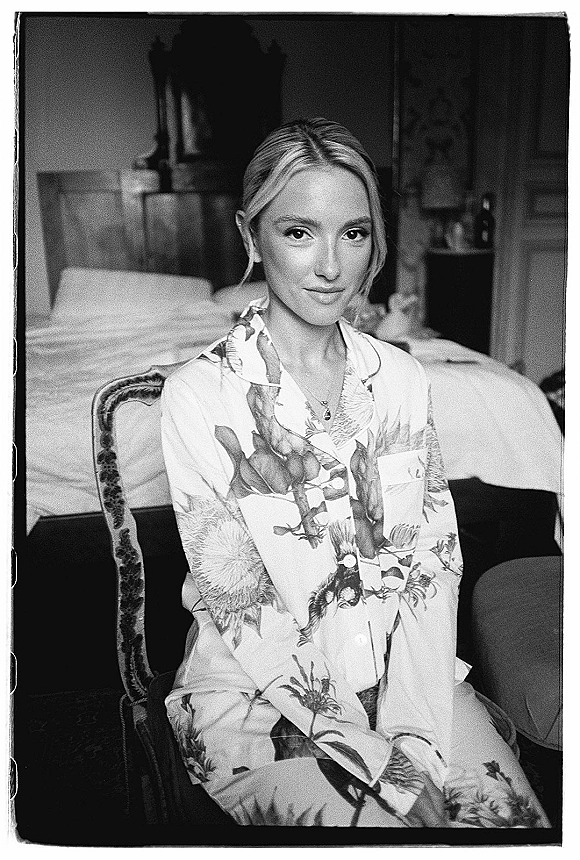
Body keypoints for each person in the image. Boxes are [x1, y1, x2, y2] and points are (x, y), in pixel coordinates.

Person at [160, 118, 550, 828]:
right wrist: (382, 762)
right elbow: (245, 609)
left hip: (410, 680)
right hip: (261, 698)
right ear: (253, 238)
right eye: (300, 232)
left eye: (356, 233)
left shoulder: (400, 377)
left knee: (511, 830)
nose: (332, 266)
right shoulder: (199, 396)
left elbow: (433, 563)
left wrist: (413, 731)